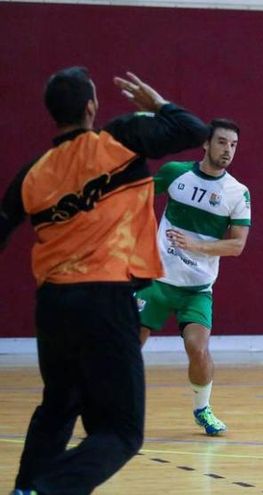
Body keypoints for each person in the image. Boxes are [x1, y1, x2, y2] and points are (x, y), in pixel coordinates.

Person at [0, 67, 209, 494]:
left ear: (52, 115)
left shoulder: (32, 174)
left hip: (53, 307)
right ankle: (47, 489)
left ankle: (24, 490)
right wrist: (157, 105)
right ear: (91, 107)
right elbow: (194, 130)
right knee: (122, 432)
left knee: (59, 407)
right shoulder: (120, 139)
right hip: (105, 297)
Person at [136, 118, 250, 436]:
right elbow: (138, 195)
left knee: (198, 349)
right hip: (156, 280)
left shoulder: (237, 192)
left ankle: (202, 408)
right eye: (222, 142)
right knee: (129, 346)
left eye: (233, 145)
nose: (228, 150)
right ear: (206, 143)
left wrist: (196, 245)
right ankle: (108, 407)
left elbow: (238, 245)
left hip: (197, 288)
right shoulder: (176, 173)